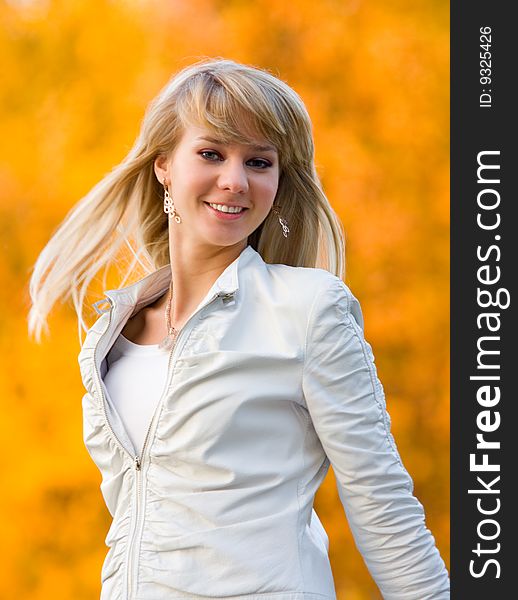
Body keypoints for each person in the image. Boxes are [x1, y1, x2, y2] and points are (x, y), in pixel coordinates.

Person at [28, 58, 450, 599]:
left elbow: (381, 502)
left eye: (259, 162)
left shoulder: (308, 310)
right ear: (164, 165)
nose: (234, 180)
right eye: (211, 153)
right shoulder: (112, 332)